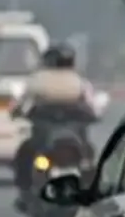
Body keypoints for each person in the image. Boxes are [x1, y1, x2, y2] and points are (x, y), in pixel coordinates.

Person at [12, 43, 98, 204]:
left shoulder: (38, 80)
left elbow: (22, 104)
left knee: (25, 154)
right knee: (89, 156)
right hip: (68, 143)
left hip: (48, 142)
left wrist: (17, 113)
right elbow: (92, 106)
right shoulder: (79, 81)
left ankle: (24, 190)